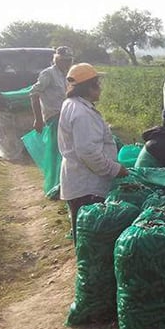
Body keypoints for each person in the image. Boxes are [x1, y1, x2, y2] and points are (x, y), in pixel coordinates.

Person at [58, 63, 128, 242]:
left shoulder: (73, 105)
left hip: (80, 179)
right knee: (89, 239)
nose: (100, 88)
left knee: (84, 234)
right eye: (97, 83)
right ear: (89, 87)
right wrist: (114, 169)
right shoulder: (82, 113)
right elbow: (88, 152)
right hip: (86, 185)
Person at [30, 46, 74, 197]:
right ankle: (55, 186)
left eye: (69, 61)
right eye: (63, 61)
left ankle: (64, 184)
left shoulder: (66, 75)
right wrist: (38, 119)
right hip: (54, 117)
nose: (66, 63)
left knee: (66, 152)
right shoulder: (48, 74)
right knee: (57, 152)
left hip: (66, 117)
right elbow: (34, 94)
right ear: (57, 60)